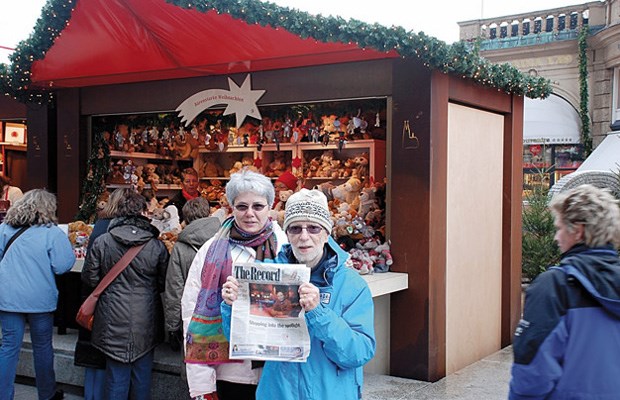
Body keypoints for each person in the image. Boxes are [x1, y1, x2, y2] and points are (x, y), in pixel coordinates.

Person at [221, 189, 376, 400]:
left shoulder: (351, 285)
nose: (304, 237)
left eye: (313, 228)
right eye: (295, 228)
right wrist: (233, 305)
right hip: (278, 392)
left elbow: (358, 353)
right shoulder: (267, 275)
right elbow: (242, 340)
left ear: (326, 233)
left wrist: (318, 312)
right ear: (287, 233)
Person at [181, 169, 287, 400]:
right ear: (231, 207)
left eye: (258, 206)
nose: (250, 214)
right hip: (229, 374)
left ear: (270, 206)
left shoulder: (287, 246)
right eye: (242, 206)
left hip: (279, 372)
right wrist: (201, 385)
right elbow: (192, 312)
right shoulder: (212, 249)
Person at [509, 184, 620, 400]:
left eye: (559, 228)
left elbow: (533, 369)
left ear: (577, 230)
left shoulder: (554, 287)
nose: (555, 238)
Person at [81, 188, 169, 399]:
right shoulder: (156, 245)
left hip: (111, 317)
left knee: (115, 378)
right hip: (145, 317)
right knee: (142, 377)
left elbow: (90, 279)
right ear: (143, 212)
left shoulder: (103, 241)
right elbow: (163, 282)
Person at [0, 189, 75, 400]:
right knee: (42, 347)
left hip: (7, 298)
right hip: (40, 300)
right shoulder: (52, 233)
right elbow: (62, 266)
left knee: (8, 347)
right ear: (48, 208)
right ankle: (47, 394)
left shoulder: (4, 229)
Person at [74, 188, 126, 400]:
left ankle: (90, 395)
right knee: (105, 354)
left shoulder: (100, 226)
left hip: (93, 295)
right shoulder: (120, 229)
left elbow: (90, 270)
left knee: (92, 353)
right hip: (112, 300)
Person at [165, 197, 221, 352]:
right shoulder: (224, 238)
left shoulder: (180, 246)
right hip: (220, 311)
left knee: (193, 362)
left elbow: (175, 289)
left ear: (185, 218)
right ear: (209, 213)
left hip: (193, 314)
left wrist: (173, 325)